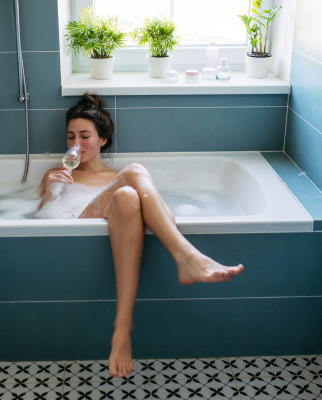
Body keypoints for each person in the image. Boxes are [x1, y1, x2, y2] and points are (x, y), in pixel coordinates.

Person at [38, 93, 244, 379]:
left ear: (103, 141)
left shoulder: (118, 179)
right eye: (71, 136)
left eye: (85, 136)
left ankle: (122, 330)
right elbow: (41, 218)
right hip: (76, 216)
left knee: (125, 196)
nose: (76, 144)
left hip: (116, 207)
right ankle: (186, 257)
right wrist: (50, 190)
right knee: (134, 172)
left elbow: (162, 214)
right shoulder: (57, 174)